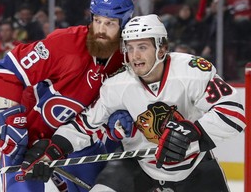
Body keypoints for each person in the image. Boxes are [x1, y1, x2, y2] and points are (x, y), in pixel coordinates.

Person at [22, 14, 246, 192]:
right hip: (138, 166)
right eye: (129, 48)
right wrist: (53, 149)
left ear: (162, 48)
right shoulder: (117, 85)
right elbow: (84, 126)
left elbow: (234, 112)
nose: (135, 56)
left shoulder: (191, 71)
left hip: (195, 166)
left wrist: (194, 132)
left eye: (142, 47)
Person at [0, 0, 134, 192]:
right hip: (32, 138)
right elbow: (7, 70)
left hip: (79, 140)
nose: (101, 29)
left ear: (125, 24)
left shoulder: (128, 58)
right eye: (97, 20)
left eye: (110, 23)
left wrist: (117, 117)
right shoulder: (65, 44)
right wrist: (13, 122)